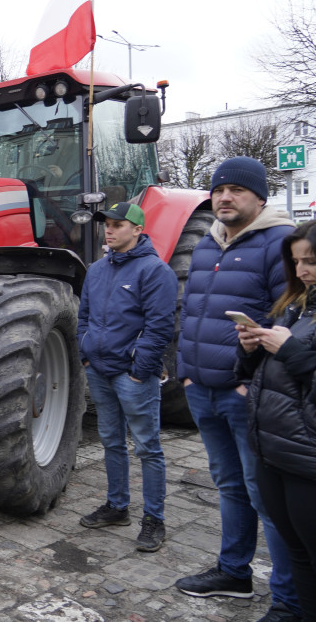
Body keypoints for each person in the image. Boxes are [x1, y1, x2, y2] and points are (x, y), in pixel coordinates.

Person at [176, 156, 302, 621]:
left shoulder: (279, 244)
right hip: (202, 389)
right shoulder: (208, 244)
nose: (224, 197)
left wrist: (253, 382)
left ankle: (290, 599)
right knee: (229, 485)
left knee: (267, 497)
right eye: (218, 190)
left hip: (244, 394)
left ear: (259, 197)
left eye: (236, 190)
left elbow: (287, 318)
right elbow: (192, 314)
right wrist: (187, 371)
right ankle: (235, 572)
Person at [77, 202, 177, 552]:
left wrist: (139, 370)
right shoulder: (97, 270)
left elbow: (160, 326)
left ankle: (154, 519)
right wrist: (85, 354)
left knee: (148, 447)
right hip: (99, 371)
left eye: (119, 225)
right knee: (111, 441)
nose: (110, 230)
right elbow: (84, 317)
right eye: (108, 224)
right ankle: (117, 506)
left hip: (131, 376)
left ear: (137, 230)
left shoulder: (155, 271)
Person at [234, 219, 316, 621]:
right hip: (273, 451)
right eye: (297, 261)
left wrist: (290, 351)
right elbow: (268, 375)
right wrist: (251, 349)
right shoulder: (294, 307)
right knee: (297, 550)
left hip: (306, 458)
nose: (302, 271)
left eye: (312, 261)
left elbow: (301, 366)